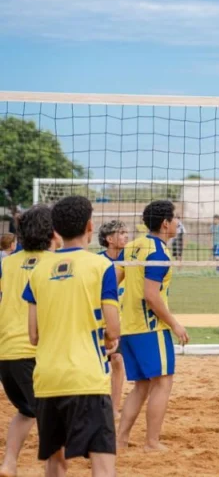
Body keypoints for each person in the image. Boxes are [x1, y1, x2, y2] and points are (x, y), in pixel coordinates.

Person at [22, 196, 120, 476]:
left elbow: (33, 335)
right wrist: (108, 339)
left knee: (55, 463)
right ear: (90, 226)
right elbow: (114, 329)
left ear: (55, 231)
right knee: (102, 464)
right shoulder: (101, 267)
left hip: (47, 379)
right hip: (86, 378)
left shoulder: (38, 271)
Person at [117, 200, 189, 451]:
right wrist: (175, 324)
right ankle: (151, 442)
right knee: (163, 382)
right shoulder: (158, 253)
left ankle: (120, 440)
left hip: (129, 326)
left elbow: (114, 281)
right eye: (175, 218)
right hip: (150, 327)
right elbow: (151, 295)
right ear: (165, 223)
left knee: (142, 385)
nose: (178, 222)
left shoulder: (132, 246)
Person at [0, 206, 56, 477]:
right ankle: (52, 470)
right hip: (33, 351)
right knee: (52, 416)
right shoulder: (53, 263)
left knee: (27, 411)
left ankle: (9, 463)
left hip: (6, 351)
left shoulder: (9, 262)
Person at [98, 220, 130, 419]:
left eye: (127, 232)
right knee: (97, 364)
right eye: (121, 232)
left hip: (120, 321)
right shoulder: (99, 262)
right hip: (98, 320)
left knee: (118, 360)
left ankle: (114, 408)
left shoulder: (132, 261)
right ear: (109, 239)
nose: (126, 236)